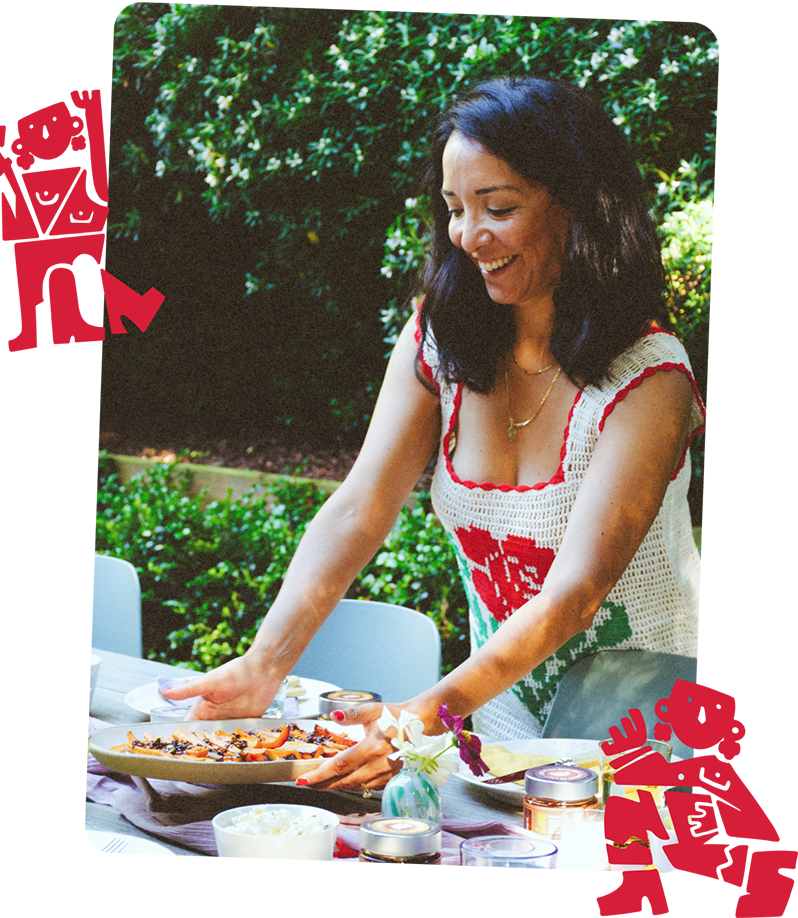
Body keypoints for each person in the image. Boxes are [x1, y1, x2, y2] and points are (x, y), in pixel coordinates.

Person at [162, 76, 705, 793]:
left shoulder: (650, 377)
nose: (468, 235)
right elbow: (360, 507)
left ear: (578, 203)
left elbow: (576, 595)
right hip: (497, 731)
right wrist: (266, 663)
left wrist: (423, 716)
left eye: (497, 207)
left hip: (646, 737)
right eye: (454, 209)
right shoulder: (440, 341)